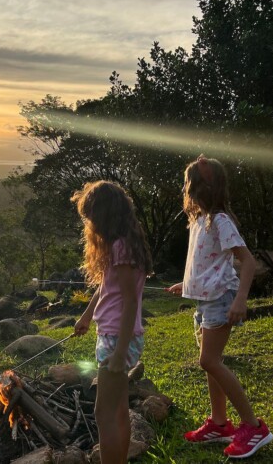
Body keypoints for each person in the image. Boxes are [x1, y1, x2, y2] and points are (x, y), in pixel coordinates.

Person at [167, 154, 273, 459]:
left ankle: (254, 428)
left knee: (209, 361)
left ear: (202, 186)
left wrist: (241, 299)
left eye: (187, 182)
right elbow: (203, 264)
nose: (184, 187)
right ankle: (219, 423)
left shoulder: (220, 220)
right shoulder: (199, 221)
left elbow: (248, 261)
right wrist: (184, 285)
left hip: (221, 300)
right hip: (204, 300)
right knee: (210, 362)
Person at [71, 180, 152, 464]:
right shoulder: (118, 246)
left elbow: (130, 301)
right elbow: (106, 287)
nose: (90, 223)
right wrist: (85, 317)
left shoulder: (122, 247)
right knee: (116, 411)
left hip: (120, 338)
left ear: (105, 214)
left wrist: (119, 354)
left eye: (92, 216)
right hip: (110, 335)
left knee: (103, 413)